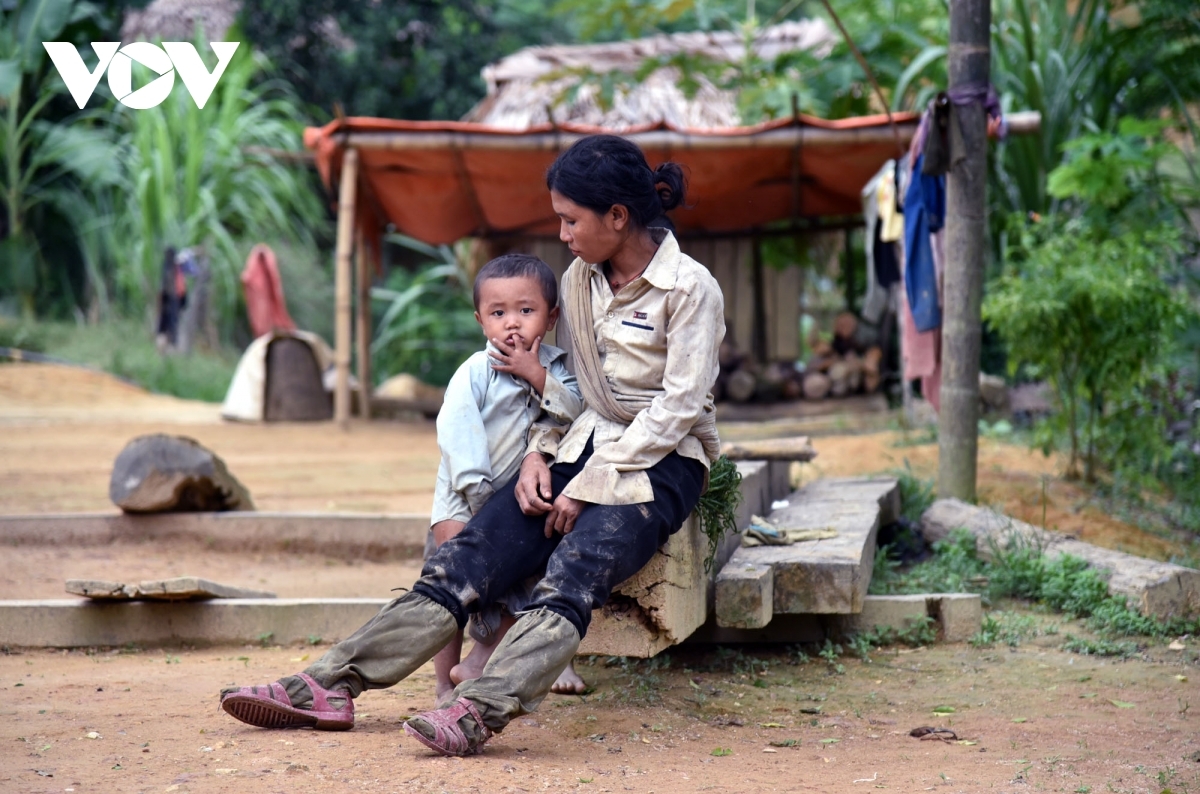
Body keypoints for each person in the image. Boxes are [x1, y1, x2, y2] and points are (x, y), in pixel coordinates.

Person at [218, 134, 725, 758]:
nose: (563, 235)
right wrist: (539, 454)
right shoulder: (579, 280)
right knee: (468, 559)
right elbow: (567, 383)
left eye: (571, 220)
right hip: (579, 445)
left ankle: (478, 710)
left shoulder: (690, 289)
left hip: (662, 465)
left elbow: (677, 410)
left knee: (573, 572)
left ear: (618, 217)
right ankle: (327, 686)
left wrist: (593, 482)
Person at [424, 253, 585, 704]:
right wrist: (477, 493)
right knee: (449, 586)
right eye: (499, 313)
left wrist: (537, 376)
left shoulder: (559, 369)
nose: (512, 324)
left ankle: (479, 661)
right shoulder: (475, 371)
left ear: (551, 317)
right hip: (462, 496)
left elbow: (576, 415)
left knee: (530, 584)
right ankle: (442, 686)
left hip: (518, 506)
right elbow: (457, 432)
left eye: (526, 311)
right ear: (481, 321)